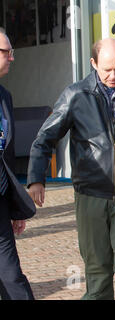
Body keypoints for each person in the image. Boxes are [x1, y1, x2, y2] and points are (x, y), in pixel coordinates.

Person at [27, 38, 115, 300]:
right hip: (90, 195)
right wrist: (36, 178)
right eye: (107, 69)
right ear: (93, 64)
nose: (113, 76)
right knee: (97, 270)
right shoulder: (75, 95)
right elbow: (45, 138)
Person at [0, 29, 36, 300]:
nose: (12, 58)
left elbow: (7, 158)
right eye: (6, 52)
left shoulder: (5, 97)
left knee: (10, 275)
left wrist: (15, 207)